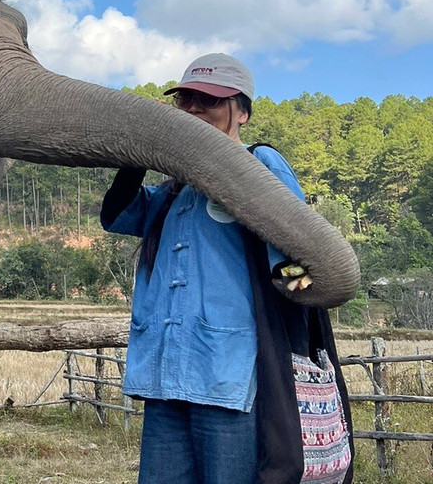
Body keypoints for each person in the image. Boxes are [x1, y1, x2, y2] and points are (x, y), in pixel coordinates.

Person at [100, 53, 350, 484]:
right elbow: (116, 216)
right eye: (187, 100)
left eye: (210, 101)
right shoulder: (173, 191)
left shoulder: (261, 165)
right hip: (163, 377)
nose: (194, 108)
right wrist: (140, 144)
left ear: (244, 112)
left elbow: (295, 260)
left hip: (231, 379)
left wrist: (298, 290)